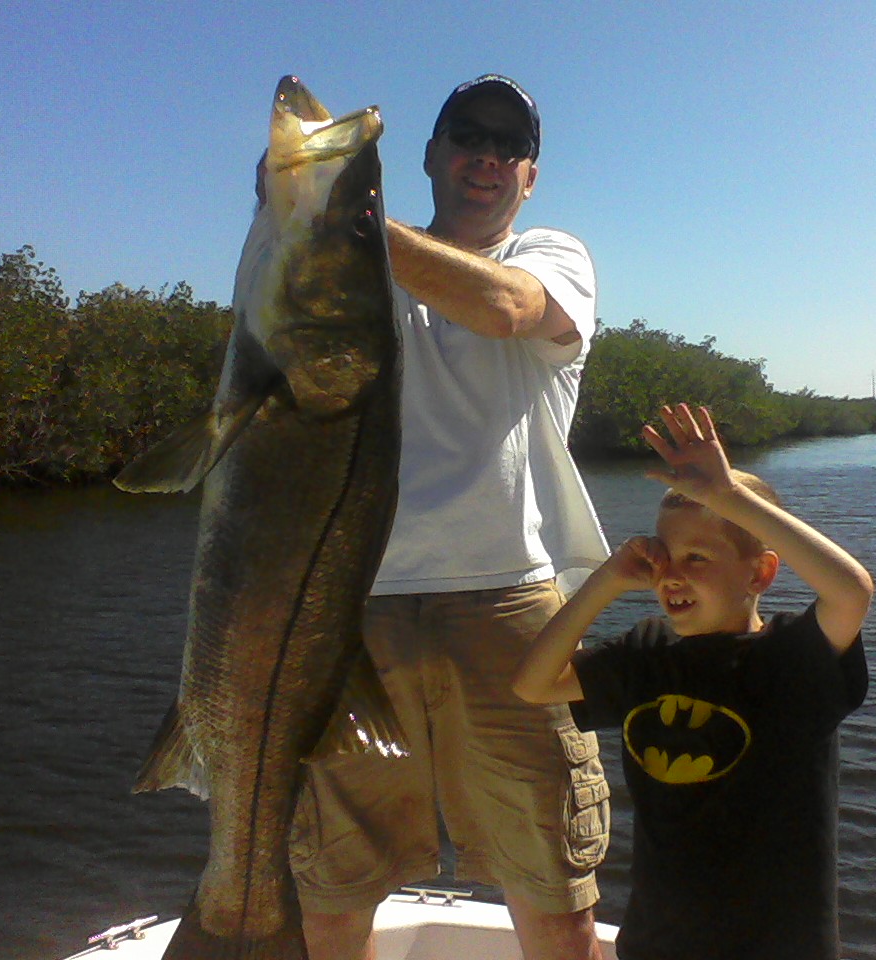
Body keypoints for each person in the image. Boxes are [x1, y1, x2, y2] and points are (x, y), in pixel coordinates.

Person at [289, 75, 611, 960]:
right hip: (351, 602)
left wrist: (343, 215)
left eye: (511, 146)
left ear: (530, 178)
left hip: (511, 602)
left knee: (551, 884)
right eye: (468, 135)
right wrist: (308, 220)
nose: (488, 156)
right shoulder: (350, 266)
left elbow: (508, 309)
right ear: (430, 157)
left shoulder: (551, 255)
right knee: (333, 883)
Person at [514, 403, 876, 960]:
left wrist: (730, 498)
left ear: (760, 573)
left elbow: (851, 591)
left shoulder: (794, 658)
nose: (674, 575)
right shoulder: (646, 654)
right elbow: (535, 684)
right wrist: (606, 581)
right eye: (667, 556)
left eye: (698, 557)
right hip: (659, 943)